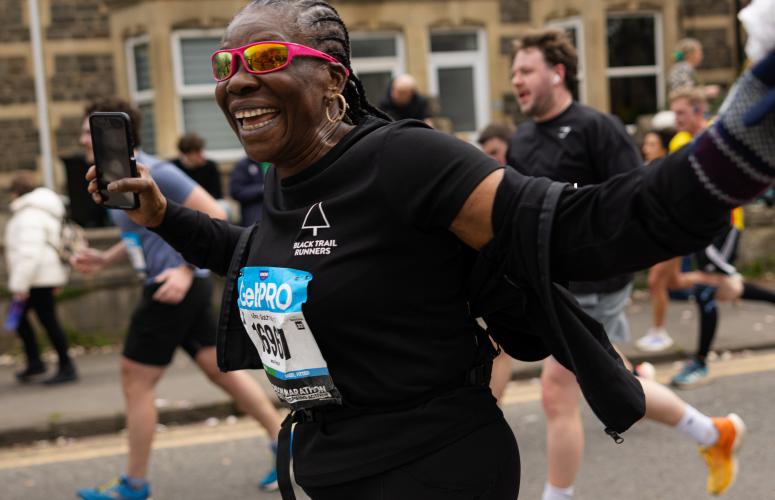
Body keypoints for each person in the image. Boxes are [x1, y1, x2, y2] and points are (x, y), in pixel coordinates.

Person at [85, 2, 775, 498]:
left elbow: (576, 227)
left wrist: (741, 143)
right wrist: (162, 216)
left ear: (333, 79)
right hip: (334, 467)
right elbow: (265, 255)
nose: (237, 81)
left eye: (266, 58)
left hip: (432, 469)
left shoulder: (404, 160)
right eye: (225, 64)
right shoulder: (286, 176)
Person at [505, 28, 747, 500]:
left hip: (598, 281)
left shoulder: (598, 128)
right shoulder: (522, 140)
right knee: (612, 380)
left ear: (557, 73)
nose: (516, 80)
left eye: (526, 70)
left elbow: (637, 200)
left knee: (556, 391)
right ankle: (713, 433)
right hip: (550, 283)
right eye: (514, 72)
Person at [72, 98, 283, 500]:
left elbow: (216, 214)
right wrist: (104, 259)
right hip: (174, 287)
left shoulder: (159, 172)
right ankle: (283, 442)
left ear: (120, 134)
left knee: (135, 379)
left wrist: (187, 271)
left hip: (172, 289)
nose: (84, 139)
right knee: (220, 370)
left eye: (90, 131)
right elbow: (141, 231)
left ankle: (134, 485)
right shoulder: (115, 176)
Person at [637, 87, 710, 352]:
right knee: (674, 281)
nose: (645, 149)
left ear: (698, 111)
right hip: (675, 225)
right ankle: (721, 282)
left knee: (657, 281)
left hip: (692, 226)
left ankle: (660, 333)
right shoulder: (679, 142)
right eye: (674, 112)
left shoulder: (711, 138)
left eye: (681, 112)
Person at [4, 170, 78, 385]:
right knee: (34, 320)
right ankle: (38, 362)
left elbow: (29, 252)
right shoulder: (41, 211)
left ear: (16, 192)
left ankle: (64, 366)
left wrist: (20, 285)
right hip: (43, 276)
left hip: (36, 278)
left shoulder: (29, 215)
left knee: (45, 321)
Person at [476, 121, 517, 401]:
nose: (491, 159)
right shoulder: (491, 181)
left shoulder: (522, 178)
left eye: (495, 152)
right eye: (486, 154)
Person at [229, 156, 269, 226]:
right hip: (255, 204)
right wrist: (263, 188)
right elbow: (237, 191)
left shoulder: (280, 162)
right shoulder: (244, 164)